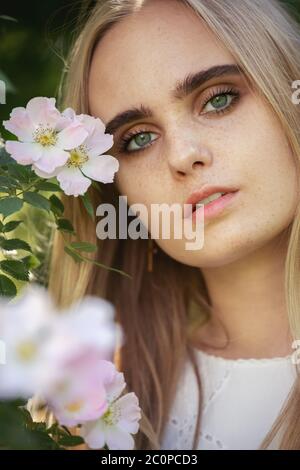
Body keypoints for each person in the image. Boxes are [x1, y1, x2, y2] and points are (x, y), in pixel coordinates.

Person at [48, 0, 300, 449]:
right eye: (138, 139)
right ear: (115, 194)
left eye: (218, 99)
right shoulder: (99, 405)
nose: (184, 156)